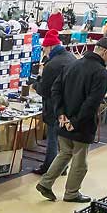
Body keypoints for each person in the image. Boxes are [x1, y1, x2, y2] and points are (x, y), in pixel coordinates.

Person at [36, 38, 107, 203]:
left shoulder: (72, 64)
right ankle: (72, 193)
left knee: (64, 153)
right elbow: (92, 102)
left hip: (63, 120)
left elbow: (55, 89)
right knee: (80, 162)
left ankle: (45, 183)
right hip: (81, 124)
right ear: (105, 52)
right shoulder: (101, 73)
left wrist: (61, 114)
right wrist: (76, 121)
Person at [34, 36, 77, 175]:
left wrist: (36, 84)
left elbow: (45, 90)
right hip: (69, 105)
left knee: (52, 138)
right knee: (63, 140)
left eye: (44, 48)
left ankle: (49, 168)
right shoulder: (72, 58)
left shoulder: (52, 64)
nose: (44, 52)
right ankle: (62, 167)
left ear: (50, 47)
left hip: (54, 107)